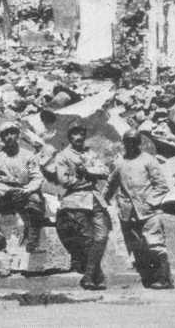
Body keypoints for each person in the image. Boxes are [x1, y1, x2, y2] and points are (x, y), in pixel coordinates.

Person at [45, 122, 111, 290]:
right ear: (69, 137)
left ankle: (89, 276)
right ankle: (95, 275)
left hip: (95, 198)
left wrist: (88, 172)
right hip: (76, 201)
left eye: (82, 133)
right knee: (88, 239)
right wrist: (84, 178)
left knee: (102, 237)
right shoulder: (63, 156)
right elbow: (64, 180)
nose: (79, 137)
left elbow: (104, 171)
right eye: (75, 134)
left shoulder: (90, 153)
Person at [105, 129, 173, 289]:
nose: (130, 145)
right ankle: (148, 279)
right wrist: (103, 201)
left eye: (134, 142)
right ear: (124, 143)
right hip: (128, 213)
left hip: (149, 212)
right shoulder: (119, 162)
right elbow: (111, 184)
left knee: (155, 245)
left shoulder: (149, 160)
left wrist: (150, 202)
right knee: (137, 246)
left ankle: (164, 279)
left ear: (139, 143)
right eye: (127, 141)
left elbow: (162, 186)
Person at [0, 121, 46, 252]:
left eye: (12, 133)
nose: (9, 137)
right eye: (5, 134)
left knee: (36, 201)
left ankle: (32, 242)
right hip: (3, 191)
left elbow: (37, 177)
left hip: (23, 190)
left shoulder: (28, 155)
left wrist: (28, 189)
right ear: (1, 138)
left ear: (18, 135)